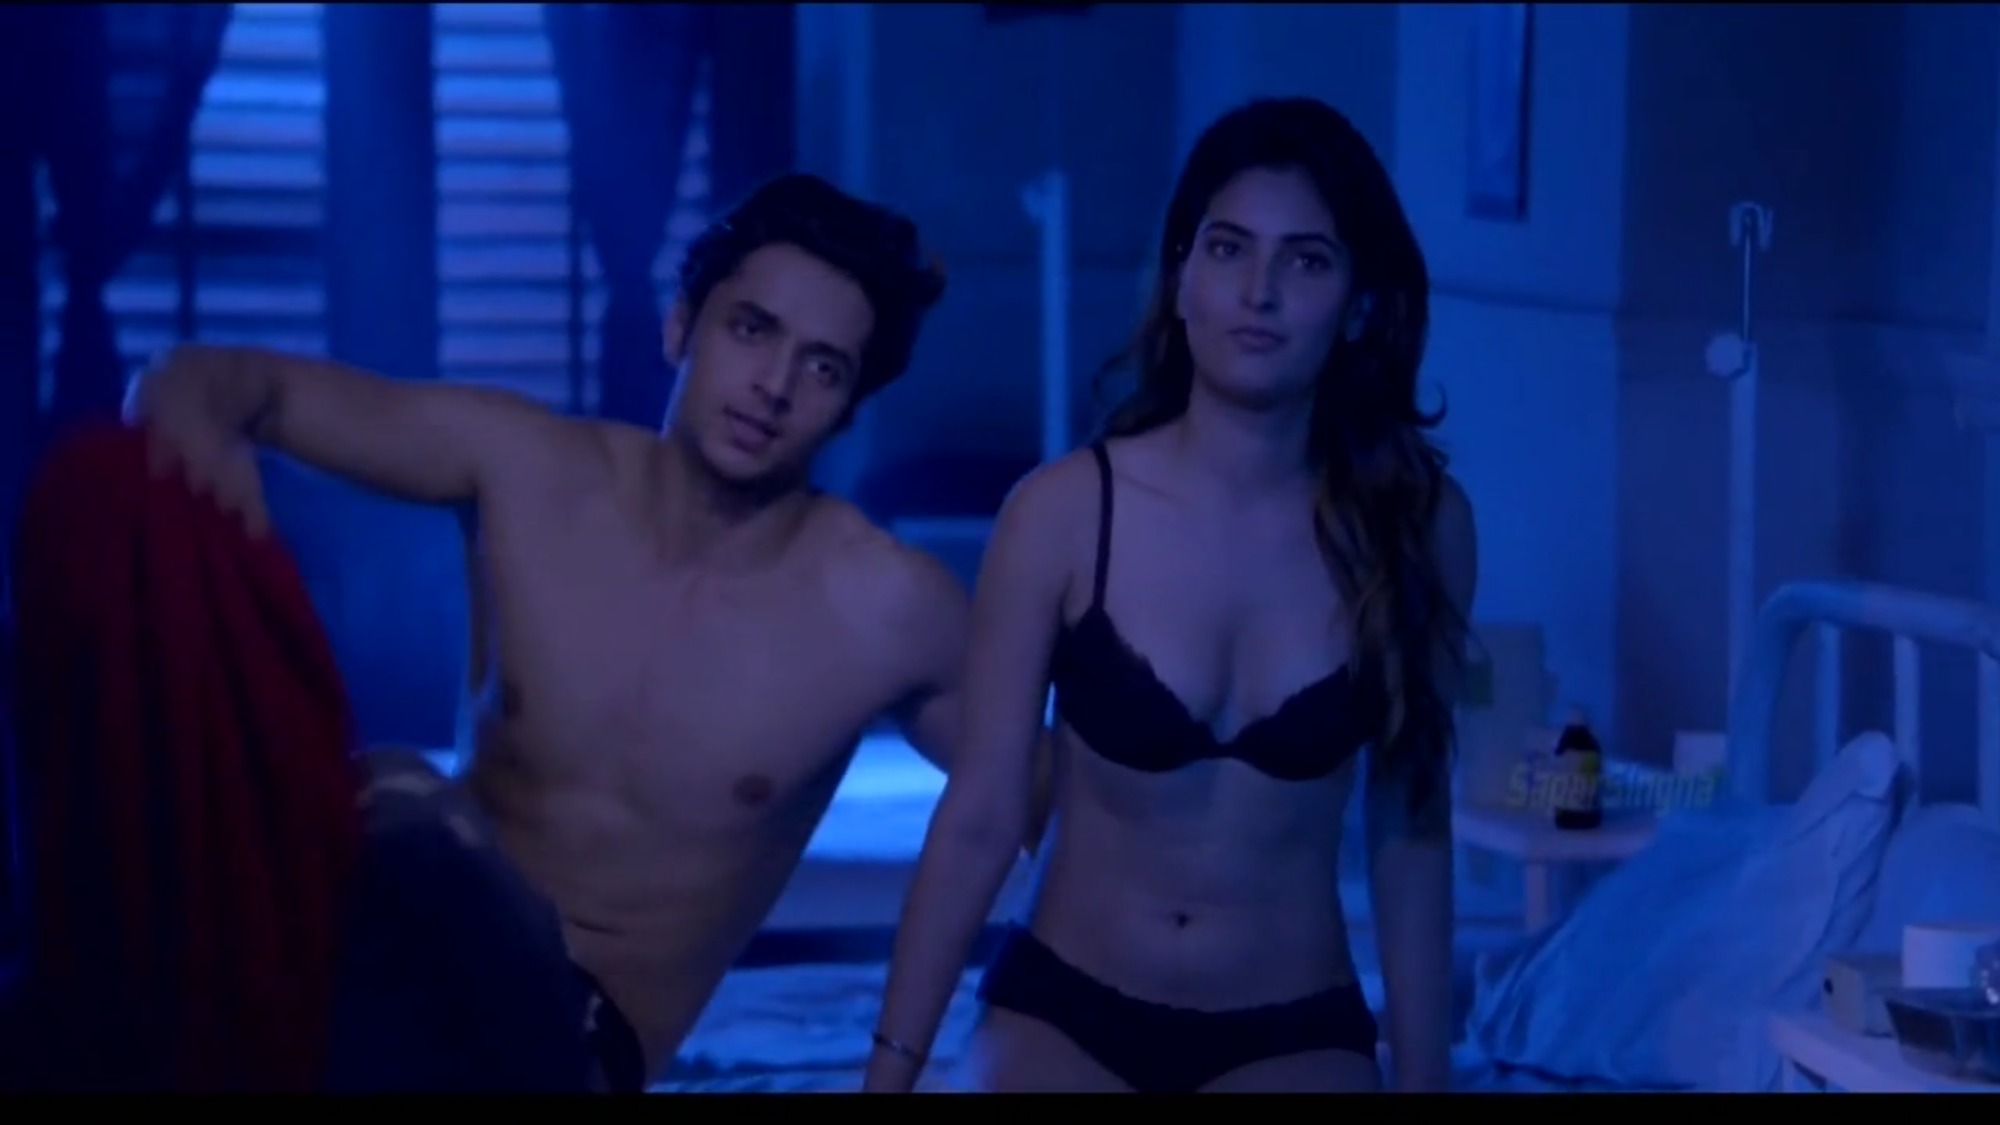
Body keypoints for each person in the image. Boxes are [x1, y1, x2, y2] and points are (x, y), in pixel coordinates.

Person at [124, 173, 1020, 1090]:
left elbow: (1061, 803)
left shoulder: (886, 608)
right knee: (370, 819)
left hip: (576, 1044)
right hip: (395, 969)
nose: (774, 386)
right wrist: (217, 553)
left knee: (400, 800)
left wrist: (905, 1056)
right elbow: (196, 382)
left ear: (849, 405)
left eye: (823, 367)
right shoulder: (528, 468)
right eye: (752, 330)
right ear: (682, 327)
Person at [864, 97, 1478, 1094]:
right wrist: (887, 1075)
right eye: (1228, 249)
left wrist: (1423, 1083)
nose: (1259, 293)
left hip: (1289, 1025)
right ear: (1181, 275)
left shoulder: (1419, 526)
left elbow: (1410, 826)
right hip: (1065, 1008)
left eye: (1306, 261)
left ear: (1360, 304)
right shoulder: (1061, 513)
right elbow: (979, 815)